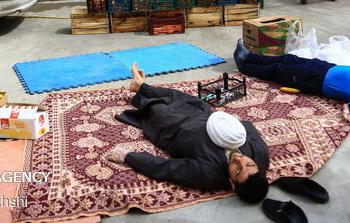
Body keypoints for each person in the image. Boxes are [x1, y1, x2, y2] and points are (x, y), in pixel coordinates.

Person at [105, 62, 270, 203]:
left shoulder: (208, 174)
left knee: (156, 106)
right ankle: (141, 86)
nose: (239, 160)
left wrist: (127, 156)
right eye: (249, 164)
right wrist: (227, 128)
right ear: (258, 167)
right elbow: (247, 126)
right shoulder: (260, 155)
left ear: (232, 183)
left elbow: (165, 168)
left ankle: (139, 92)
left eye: (238, 170)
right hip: (206, 116)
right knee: (183, 97)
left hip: (175, 126)